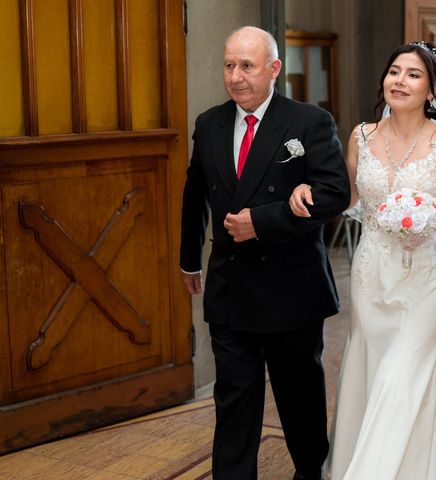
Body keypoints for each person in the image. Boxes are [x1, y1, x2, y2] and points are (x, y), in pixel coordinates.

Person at [289, 42, 436, 479]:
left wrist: (430, 226)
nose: (399, 81)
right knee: (371, 369)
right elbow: (348, 196)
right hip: (372, 271)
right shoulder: (361, 135)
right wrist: (306, 192)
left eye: (413, 74)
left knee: (404, 373)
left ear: (432, 89)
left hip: (425, 278)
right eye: (394, 71)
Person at [180, 26, 350, 480]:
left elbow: (334, 195)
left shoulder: (309, 122)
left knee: (300, 400)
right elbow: (194, 193)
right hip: (231, 286)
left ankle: (310, 471)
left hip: (291, 289)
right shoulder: (209, 123)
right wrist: (189, 258)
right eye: (229, 65)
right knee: (234, 400)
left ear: (274, 69)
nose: (236, 76)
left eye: (247, 66)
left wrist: (264, 220)